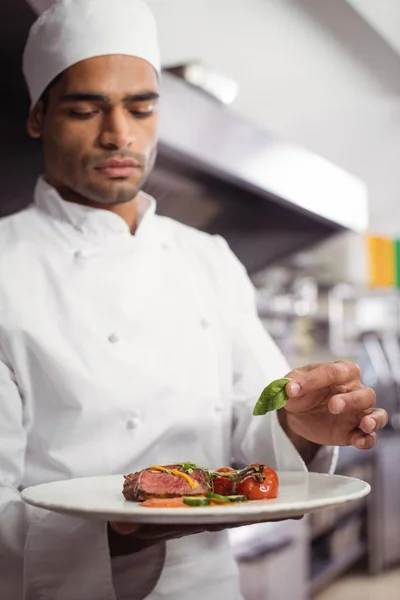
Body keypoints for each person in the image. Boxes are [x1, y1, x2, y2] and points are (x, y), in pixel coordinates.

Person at [0, 1, 387, 599]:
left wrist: (300, 425)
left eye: (142, 107)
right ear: (38, 117)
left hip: (207, 585)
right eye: (84, 109)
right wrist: (121, 528)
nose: (119, 134)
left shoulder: (208, 257)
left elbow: (253, 427)